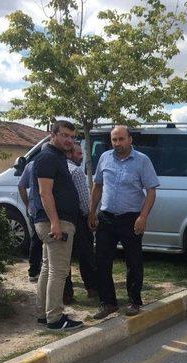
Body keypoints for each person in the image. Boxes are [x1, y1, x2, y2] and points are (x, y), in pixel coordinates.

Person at [89, 125, 159, 320]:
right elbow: (98, 186)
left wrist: (143, 217)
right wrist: (91, 212)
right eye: (114, 140)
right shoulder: (104, 158)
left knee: (133, 262)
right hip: (106, 217)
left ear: (130, 140)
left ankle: (134, 301)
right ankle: (108, 303)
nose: (117, 143)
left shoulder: (142, 161)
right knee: (102, 261)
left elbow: (151, 191)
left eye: (121, 139)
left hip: (131, 218)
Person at [31, 120, 83, 330]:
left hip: (55, 221)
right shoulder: (47, 157)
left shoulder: (57, 157)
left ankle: (43, 313)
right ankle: (55, 318)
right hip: (56, 222)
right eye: (64, 135)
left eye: (72, 137)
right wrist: (55, 223)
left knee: (47, 268)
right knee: (59, 271)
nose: (69, 140)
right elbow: (45, 192)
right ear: (52, 135)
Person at [63, 142, 98, 303]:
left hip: (62, 219)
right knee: (86, 257)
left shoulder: (58, 168)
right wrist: (91, 215)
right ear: (70, 154)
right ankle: (92, 289)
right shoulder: (76, 172)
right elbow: (84, 201)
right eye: (79, 154)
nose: (81, 157)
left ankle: (67, 294)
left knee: (64, 259)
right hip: (78, 219)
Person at [18, 160, 43, 282]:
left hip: (34, 209)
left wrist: (27, 204)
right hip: (46, 210)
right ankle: (43, 272)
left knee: (36, 240)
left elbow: (21, 185)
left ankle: (33, 272)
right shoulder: (55, 161)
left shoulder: (31, 165)